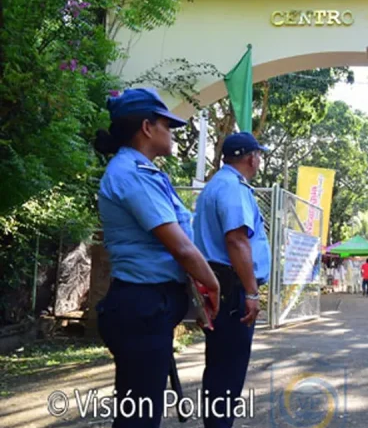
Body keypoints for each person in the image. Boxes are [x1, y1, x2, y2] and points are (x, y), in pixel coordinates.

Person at [93, 88, 221, 428]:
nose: (172, 132)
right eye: (167, 124)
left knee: (141, 413)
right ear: (147, 128)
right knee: (139, 418)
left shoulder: (143, 171)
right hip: (141, 307)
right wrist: (212, 286)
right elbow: (180, 247)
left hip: (148, 309)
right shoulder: (131, 174)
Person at [192, 133, 271, 428]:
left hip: (220, 284)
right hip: (232, 288)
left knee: (220, 366)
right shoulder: (232, 188)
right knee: (228, 370)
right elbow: (237, 240)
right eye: (258, 155)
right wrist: (251, 292)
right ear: (251, 157)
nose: (259, 160)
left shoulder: (217, 185)